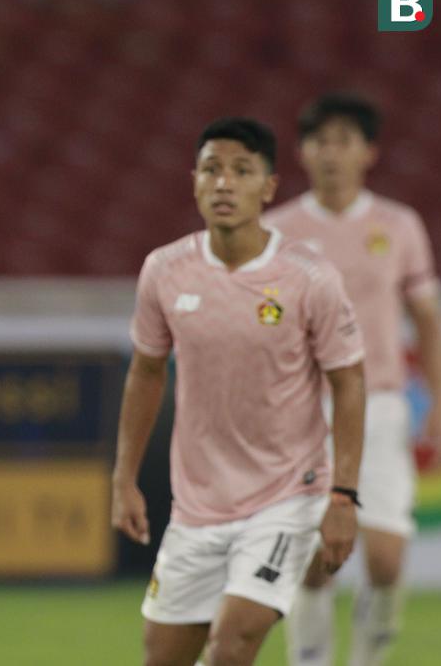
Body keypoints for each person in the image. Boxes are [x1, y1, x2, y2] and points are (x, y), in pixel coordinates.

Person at [111, 117, 366, 666]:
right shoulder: (165, 270)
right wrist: (124, 478)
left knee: (233, 645)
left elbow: (349, 382)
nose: (224, 183)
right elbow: (147, 372)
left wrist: (343, 495)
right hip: (198, 506)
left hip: (286, 496)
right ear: (195, 181)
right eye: (212, 170)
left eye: (242, 171)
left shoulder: (309, 277)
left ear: (268, 187)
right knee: (163, 657)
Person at [265, 93, 441, 666]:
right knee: (318, 556)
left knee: (388, 560)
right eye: (320, 141)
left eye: (344, 141)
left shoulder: (397, 225)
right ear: (301, 151)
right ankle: (311, 659)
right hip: (306, 410)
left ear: (368, 152)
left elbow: (425, 319)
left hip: (383, 404)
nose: (331, 154)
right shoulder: (277, 230)